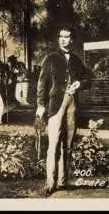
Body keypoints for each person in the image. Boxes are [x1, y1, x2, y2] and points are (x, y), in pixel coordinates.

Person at [34, 26, 93, 196]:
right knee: (53, 145)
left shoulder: (76, 60)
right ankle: (50, 183)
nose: (63, 39)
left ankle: (62, 181)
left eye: (67, 37)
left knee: (67, 144)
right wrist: (40, 105)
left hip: (72, 103)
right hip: (55, 105)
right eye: (61, 36)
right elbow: (42, 84)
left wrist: (79, 84)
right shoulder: (50, 59)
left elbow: (88, 79)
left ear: (72, 39)